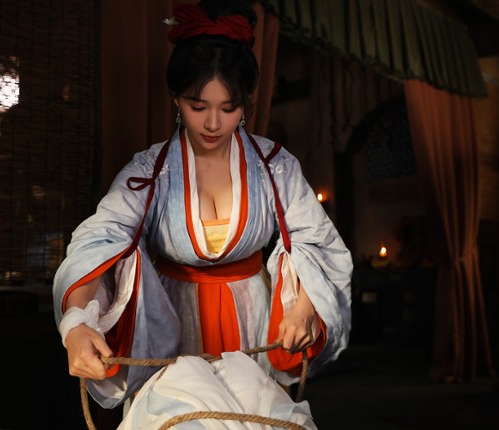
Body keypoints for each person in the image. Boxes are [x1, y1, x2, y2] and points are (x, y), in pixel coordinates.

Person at [53, 0, 353, 424]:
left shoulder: (274, 166)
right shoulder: (150, 171)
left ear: (245, 104)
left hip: (250, 323)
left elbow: (315, 241)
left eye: (228, 108)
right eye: (198, 106)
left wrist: (305, 306)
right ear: (176, 99)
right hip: (174, 326)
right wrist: (77, 322)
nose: (213, 123)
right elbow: (100, 243)